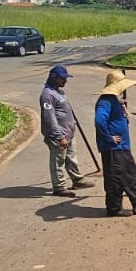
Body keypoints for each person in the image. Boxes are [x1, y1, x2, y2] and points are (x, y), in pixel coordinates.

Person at [94, 70, 136, 217]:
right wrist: (109, 137)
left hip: (121, 147)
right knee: (118, 177)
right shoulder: (105, 101)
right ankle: (119, 207)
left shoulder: (114, 100)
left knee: (129, 173)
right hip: (113, 148)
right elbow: (99, 120)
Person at [39, 64, 93, 197]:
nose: (65, 81)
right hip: (59, 136)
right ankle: (59, 187)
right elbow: (49, 118)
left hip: (68, 133)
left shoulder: (59, 91)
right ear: (53, 78)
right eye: (62, 78)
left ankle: (77, 180)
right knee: (58, 161)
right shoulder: (47, 95)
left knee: (71, 157)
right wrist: (59, 136)